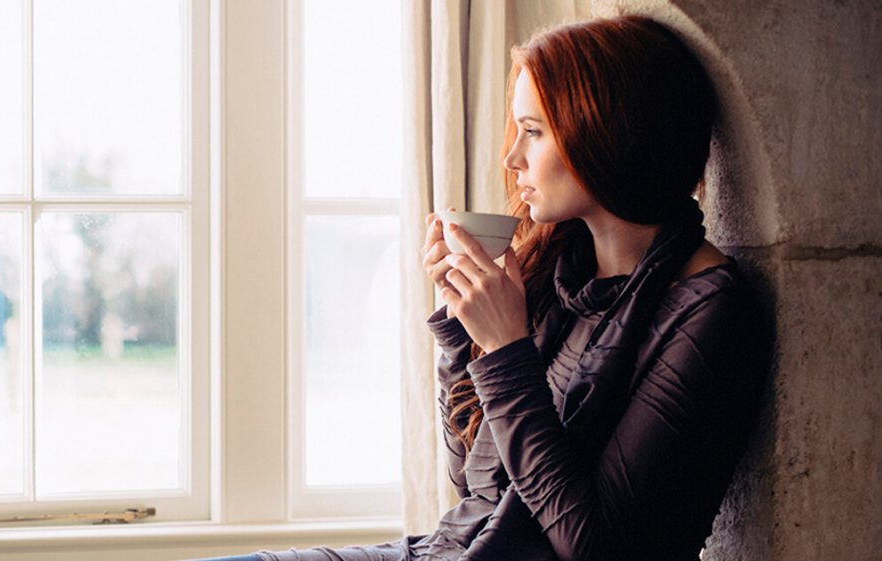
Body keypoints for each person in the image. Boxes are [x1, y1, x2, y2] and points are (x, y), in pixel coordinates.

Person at [190, 14, 766, 561]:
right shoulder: (557, 268)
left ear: (608, 135)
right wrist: (462, 331)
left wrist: (508, 351)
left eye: (533, 132)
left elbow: (595, 547)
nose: (512, 157)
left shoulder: (710, 312)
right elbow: (474, 480)